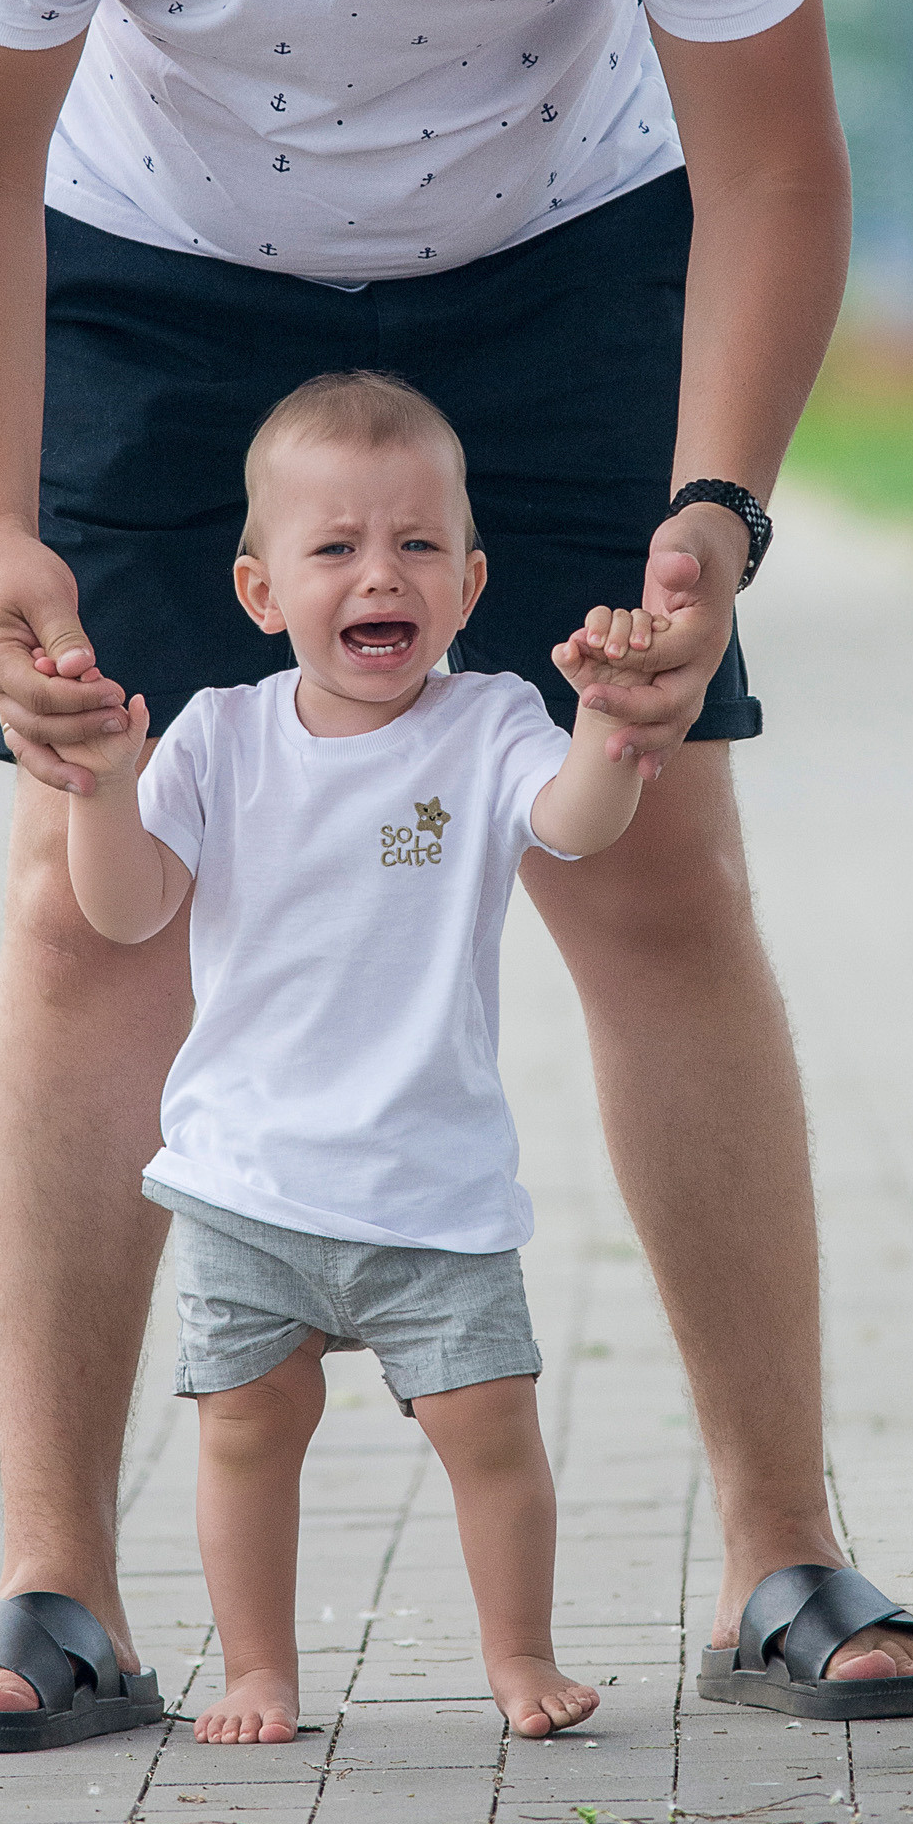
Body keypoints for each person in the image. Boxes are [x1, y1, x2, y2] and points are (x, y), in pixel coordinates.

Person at [0, 0, 913, 1745]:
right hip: (165, 266)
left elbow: (774, 158)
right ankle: (58, 1596)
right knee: (86, 893)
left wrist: (719, 512)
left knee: (657, 866)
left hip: (553, 254)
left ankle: (782, 1560)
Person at [56, 371, 660, 1746]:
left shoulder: (490, 722)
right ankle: (259, 1670)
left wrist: (611, 727)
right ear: (261, 590)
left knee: (489, 1428)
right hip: (248, 1179)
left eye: (419, 544)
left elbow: (576, 824)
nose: (380, 574)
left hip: (430, 1183)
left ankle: (520, 1656)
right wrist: (101, 787)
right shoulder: (220, 737)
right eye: (334, 547)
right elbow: (129, 909)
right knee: (246, 1432)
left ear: (470, 581)